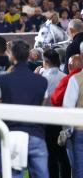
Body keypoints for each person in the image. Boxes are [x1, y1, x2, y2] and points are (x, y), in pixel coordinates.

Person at [0, 40, 49, 178]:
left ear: (12, 57)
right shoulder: (42, 81)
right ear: (28, 56)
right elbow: (43, 107)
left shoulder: (2, 80)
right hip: (36, 135)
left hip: (12, 136)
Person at [36, 49, 70, 178]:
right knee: (63, 155)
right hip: (63, 121)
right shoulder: (66, 77)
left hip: (48, 122)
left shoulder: (43, 79)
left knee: (51, 156)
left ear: (45, 62)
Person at [63, 56, 83, 177]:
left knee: (79, 171)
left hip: (80, 130)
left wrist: (68, 132)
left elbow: (68, 108)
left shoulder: (76, 79)